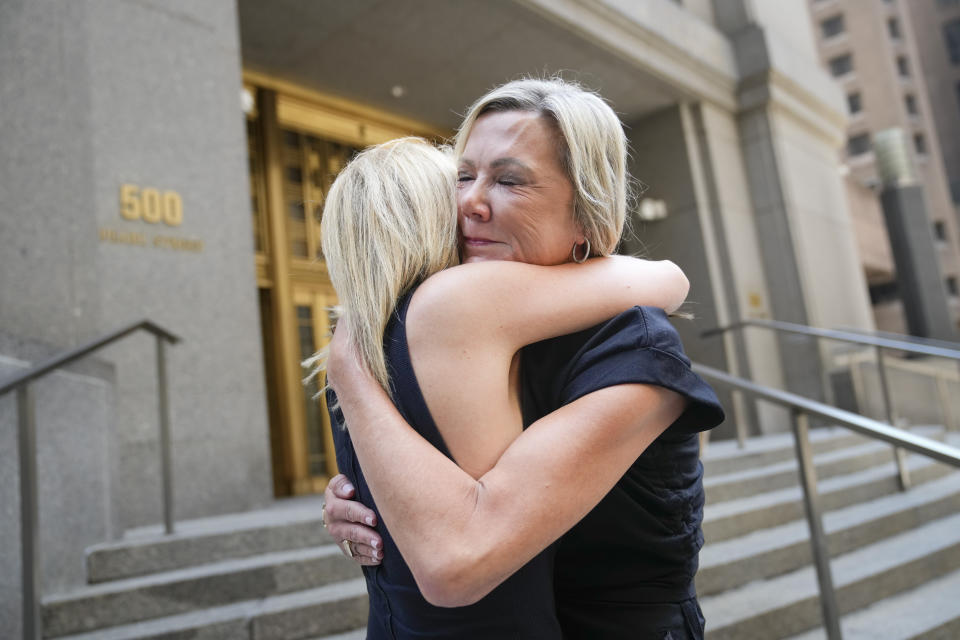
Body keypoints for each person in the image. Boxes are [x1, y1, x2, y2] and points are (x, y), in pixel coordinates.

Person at [323, 78, 725, 639]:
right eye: (464, 175)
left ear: (586, 217)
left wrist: (351, 374)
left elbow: (458, 559)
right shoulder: (452, 333)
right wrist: (370, 500)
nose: (469, 201)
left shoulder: (634, 350)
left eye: (510, 181)